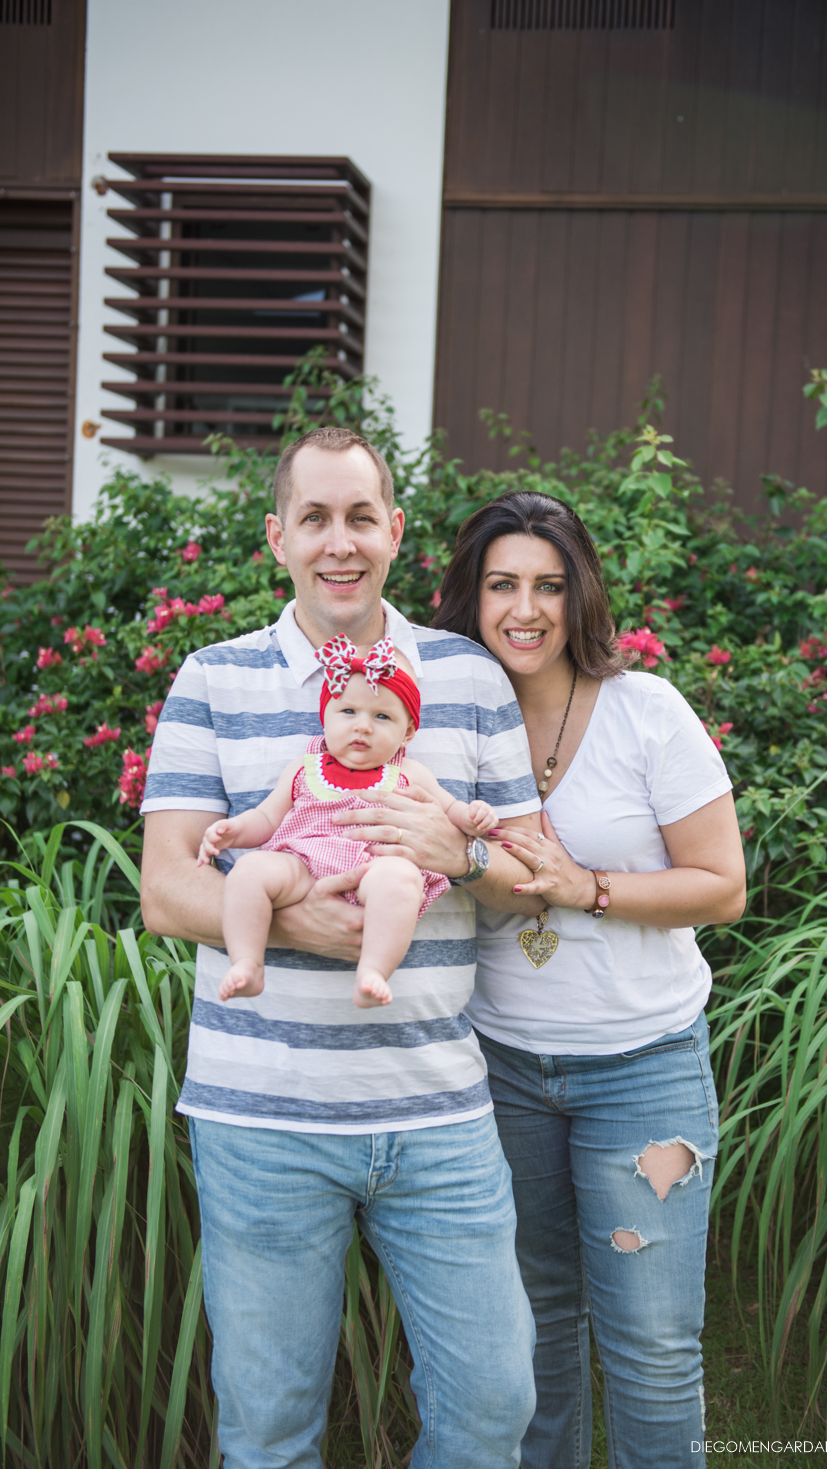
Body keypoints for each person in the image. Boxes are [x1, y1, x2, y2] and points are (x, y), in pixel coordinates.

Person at [139, 427, 540, 1469]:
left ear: (394, 532)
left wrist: (452, 847)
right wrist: (291, 916)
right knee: (269, 1432)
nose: (339, 542)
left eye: (360, 516)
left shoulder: (467, 677)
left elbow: (527, 876)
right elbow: (167, 885)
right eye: (314, 518)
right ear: (278, 537)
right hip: (260, 1120)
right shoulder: (211, 679)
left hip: (437, 1112)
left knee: (492, 1409)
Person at [431, 490, 747, 1469]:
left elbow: (722, 886)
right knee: (531, 1337)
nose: (523, 609)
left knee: (651, 1348)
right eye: (501, 585)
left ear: (579, 598)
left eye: (547, 586)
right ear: (468, 599)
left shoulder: (644, 711)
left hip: (639, 1068)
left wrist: (587, 887)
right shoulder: (444, 724)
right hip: (501, 1071)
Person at [198, 635, 498, 1006]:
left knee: (402, 881)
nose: (363, 727)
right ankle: (247, 962)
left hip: (376, 869)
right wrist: (233, 831)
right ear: (325, 717)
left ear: (407, 733)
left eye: (382, 716)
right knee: (250, 871)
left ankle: (372, 970)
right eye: (348, 712)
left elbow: (451, 811)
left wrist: (474, 816)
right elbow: (266, 817)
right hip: (302, 866)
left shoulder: (409, 772)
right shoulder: (304, 767)